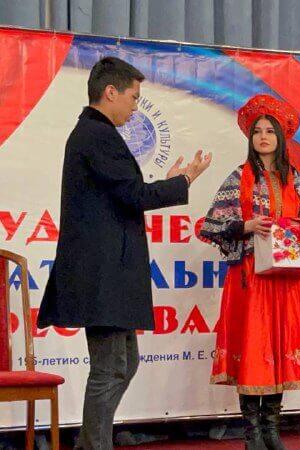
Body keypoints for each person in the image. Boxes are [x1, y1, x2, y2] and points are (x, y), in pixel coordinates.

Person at [37, 56, 212, 450]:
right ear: (110, 92)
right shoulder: (96, 135)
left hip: (107, 276)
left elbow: (125, 194)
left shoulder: (95, 134)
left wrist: (168, 183)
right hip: (102, 277)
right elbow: (134, 195)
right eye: (133, 97)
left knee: (123, 364)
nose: (135, 106)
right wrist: (184, 180)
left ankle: (89, 442)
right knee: (110, 368)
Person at [200, 94, 300, 450]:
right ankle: (252, 434)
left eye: (270, 131)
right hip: (251, 278)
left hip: (288, 279)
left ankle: (272, 429)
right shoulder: (239, 177)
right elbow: (211, 225)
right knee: (253, 348)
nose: (263, 137)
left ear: (281, 137)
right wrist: (246, 225)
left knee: (282, 348)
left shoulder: (296, 178)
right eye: (258, 131)